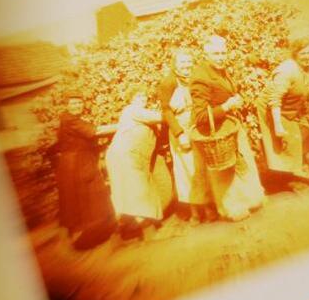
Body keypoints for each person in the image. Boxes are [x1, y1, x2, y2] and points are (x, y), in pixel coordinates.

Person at [190, 34, 265, 221]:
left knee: (241, 164)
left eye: (223, 53)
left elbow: (225, 91)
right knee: (224, 173)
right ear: (206, 54)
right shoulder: (200, 78)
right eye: (216, 53)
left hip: (229, 126)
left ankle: (249, 200)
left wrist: (234, 99)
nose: (221, 57)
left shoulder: (220, 70)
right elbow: (200, 116)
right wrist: (226, 106)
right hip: (216, 131)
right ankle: (232, 208)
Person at [258, 36, 309, 187]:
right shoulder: (287, 71)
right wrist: (278, 125)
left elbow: (305, 89)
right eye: (303, 53)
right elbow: (275, 99)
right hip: (274, 109)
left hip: (292, 108)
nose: (308, 56)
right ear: (295, 55)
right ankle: (290, 181)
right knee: (289, 143)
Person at [56, 93, 115, 248]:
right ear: (67, 106)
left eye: (79, 103)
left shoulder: (73, 120)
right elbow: (95, 131)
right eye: (73, 103)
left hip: (77, 162)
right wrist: (121, 125)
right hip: (76, 164)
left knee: (79, 200)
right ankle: (81, 239)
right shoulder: (70, 120)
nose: (77, 106)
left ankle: (86, 236)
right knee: (85, 197)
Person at [158, 49, 211, 224]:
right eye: (182, 62)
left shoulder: (196, 78)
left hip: (198, 126)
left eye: (189, 61)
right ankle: (195, 211)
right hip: (180, 129)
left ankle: (208, 206)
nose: (187, 65)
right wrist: (179, 134)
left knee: (202, 168)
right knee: (187, 171)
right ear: (175, 65)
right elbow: (166, 111)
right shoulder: (168, 83)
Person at [105, 86, 163, 240]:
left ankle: (123, 232)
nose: (142, 99)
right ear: (131, 100)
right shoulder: (132, 110)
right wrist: (171, 112)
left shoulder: (141, 115)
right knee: (137, 192)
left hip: (129, 156)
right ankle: (147, 232)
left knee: (129, 193)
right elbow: (160, 116)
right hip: (123, 156)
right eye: (138, 97)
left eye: (144, 97)